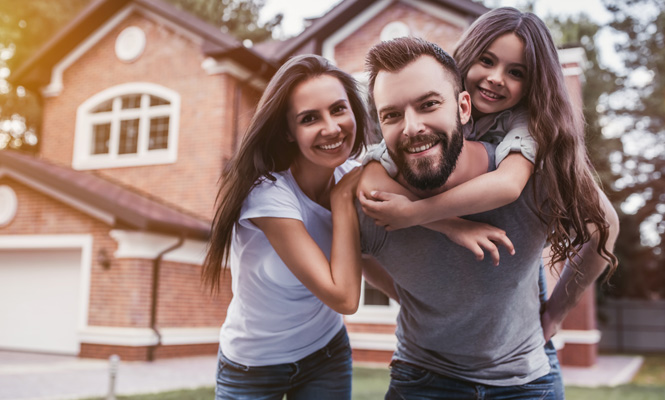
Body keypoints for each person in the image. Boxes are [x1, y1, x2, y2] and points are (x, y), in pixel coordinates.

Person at [360, 8, 620, 398]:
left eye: (517, 72)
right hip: (425, 374)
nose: (497, 78)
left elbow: (518, 188)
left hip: (525, 373)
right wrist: (411, 294)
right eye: (487, 60)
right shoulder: (414, 129)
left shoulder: (529, 132)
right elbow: (367, 184)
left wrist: (556, 314)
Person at [201, 54, 371, 400]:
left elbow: (377, 250)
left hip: (326, 352)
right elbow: (344, 296)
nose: (331, 127)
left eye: (338, 109)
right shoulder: (267, 195)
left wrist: (455, 228)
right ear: (289, 132)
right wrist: (341, 201)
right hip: (253, 366)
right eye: (310, 118)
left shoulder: (355, 175)